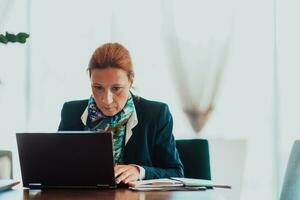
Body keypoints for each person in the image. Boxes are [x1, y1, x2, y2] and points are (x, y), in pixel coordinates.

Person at [58, 43, 184, 184]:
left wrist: (140, 171)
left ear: (131, 80)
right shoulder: (71, 112)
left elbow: (176, 172)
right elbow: (56, 167)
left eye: (116, 88)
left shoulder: (156, 114)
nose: (107, 99)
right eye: (98, 87)